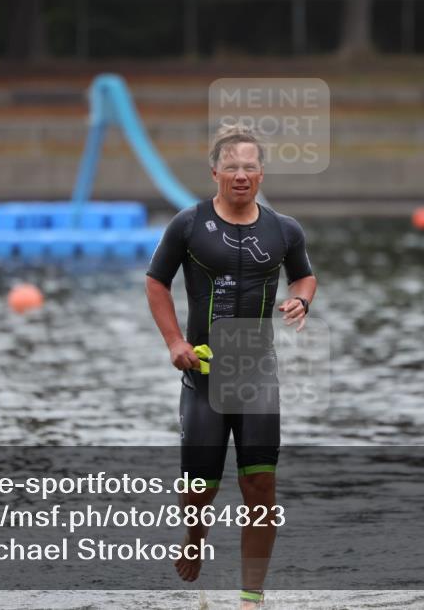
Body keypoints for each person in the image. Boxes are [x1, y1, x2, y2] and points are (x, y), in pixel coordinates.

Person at [145, 123, 318, 608]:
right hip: (203, 373)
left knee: (260, 483)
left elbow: (304, 277)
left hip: (257, 373)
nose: (241, 175)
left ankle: (251, 597)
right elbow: (156, 283)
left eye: (250, 167)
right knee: (200, 485)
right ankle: (195, 534)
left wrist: (302, 302)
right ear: (215, 171)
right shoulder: (188, 224)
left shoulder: (284, 229)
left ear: (261, 174)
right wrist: (175, 341)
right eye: (232, 167)